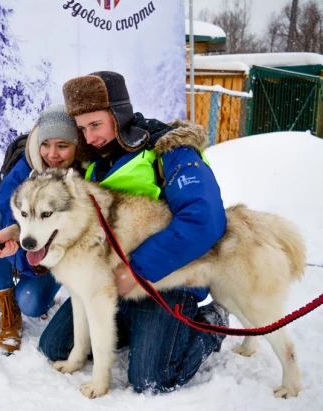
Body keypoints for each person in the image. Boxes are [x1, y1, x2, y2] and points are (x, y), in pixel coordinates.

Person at [37, 71, 230, 393]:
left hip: (168, 278)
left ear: (119, 113)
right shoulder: (97, 165)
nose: (90, 136)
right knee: (57, 346)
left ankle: (211, 323)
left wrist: (136, 271)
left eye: (95, 124)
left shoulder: (171, 150)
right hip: (115, 281)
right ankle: (135, 328)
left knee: (151, 378)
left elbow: (203, 220)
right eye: (82, 129)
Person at [0, 104, 86, 354]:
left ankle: (30, 292)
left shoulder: (85, 174)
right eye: (45, 144)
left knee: (32, 304)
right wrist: (15, 232)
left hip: (57, 259)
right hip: (26, 248)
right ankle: (8, 313)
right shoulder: (26, 166)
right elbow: (7, 208)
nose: (52, 154)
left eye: (63, 145)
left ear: (77, 145)